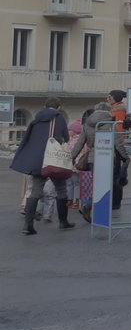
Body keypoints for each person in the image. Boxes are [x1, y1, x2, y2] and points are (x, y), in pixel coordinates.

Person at [9, 97, 76, 235]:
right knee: (61, 189)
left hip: (37, 161)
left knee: (35, 191)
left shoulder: (36, 119)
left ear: (44, 106)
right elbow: (65, 138)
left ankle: (28, 225)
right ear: (58, 107)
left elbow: (28, 139)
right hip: (53, 160)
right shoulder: (59, 118)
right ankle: (63, 222)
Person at [77, 101, 130, 221]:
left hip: (92, 158)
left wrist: (71, 157)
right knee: (106, 185)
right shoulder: (110, 123)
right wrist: (125, 157)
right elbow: (118, 143)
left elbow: (80, 142)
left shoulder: (87, 124)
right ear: (108, 111)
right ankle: (90, 208)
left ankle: (91, 208)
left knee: (98, 183)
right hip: (107, 156)